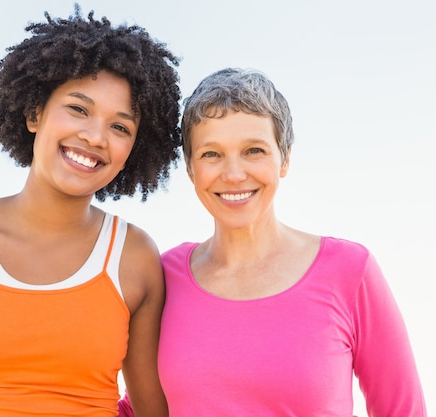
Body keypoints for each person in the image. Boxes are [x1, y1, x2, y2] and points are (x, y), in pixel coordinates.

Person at [0, 5, 181, 417]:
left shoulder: (135, 255)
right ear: (33, 113)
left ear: (133, 148)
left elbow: (156, 411)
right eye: (78, 109)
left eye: (120, 127)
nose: (95, 136)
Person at [125, 67, 427, 416]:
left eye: (254, 150)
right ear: (191, 168)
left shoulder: (350, 270)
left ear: (284, 159)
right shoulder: (163, 275)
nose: (234, 174)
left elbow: (403, 410)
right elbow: (138, 405)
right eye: (211, 154)